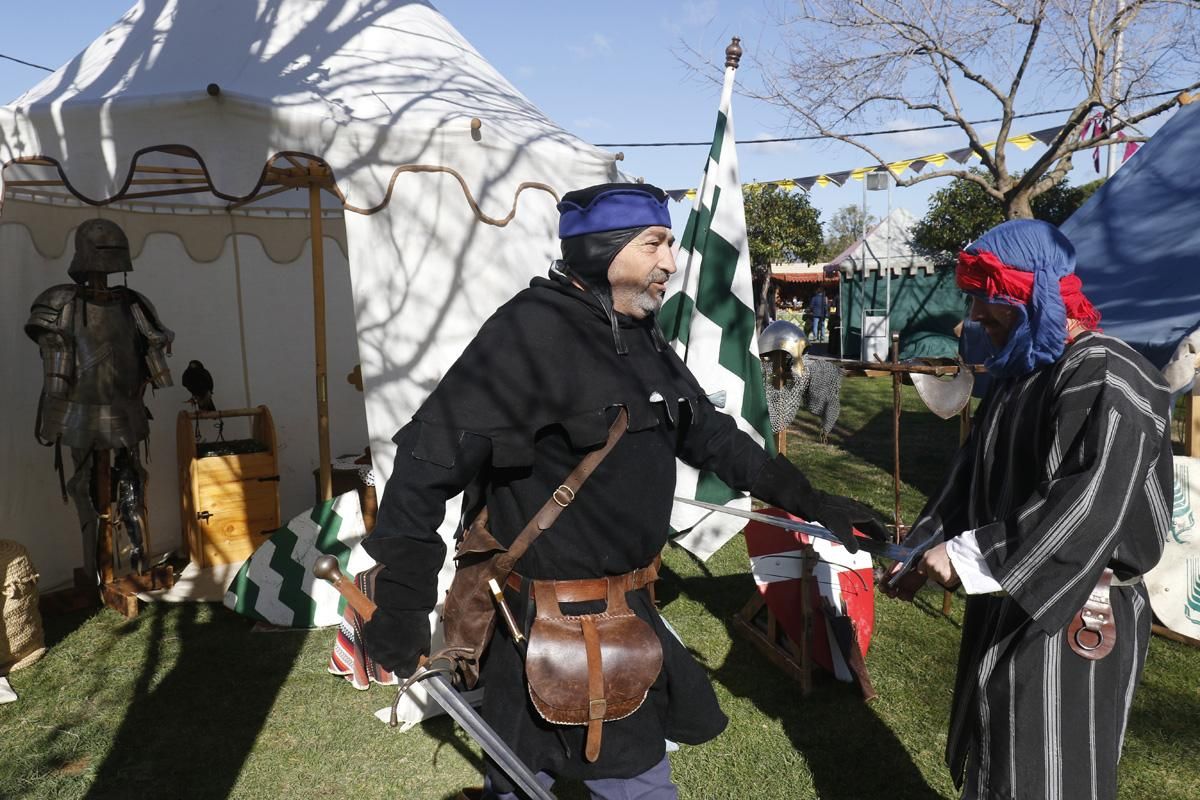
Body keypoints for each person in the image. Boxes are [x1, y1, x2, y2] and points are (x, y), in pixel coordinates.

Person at [361, 182, 886, 799]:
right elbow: (424, 467)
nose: (670, 261)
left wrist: (811, 501)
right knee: (530, 778)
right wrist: (400, 603)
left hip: (626, 620)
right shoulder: (525, 334)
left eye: (669, 244)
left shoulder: (642, 333)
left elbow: (711, 436)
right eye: (654, 244)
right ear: (600, 250)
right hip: (538, 625)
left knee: (619, 777)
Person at [884, 219, 1172, 800]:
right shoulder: (1020, 378)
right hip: (1012, 593)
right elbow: (972, 477)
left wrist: (969, 555)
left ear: (1031, 296)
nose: (976, 317)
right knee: (1002, 751)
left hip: (1078, 611)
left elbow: (1088, 503)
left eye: (989, 303)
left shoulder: (1107, 371)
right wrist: (917, 551)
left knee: (1053, 772)